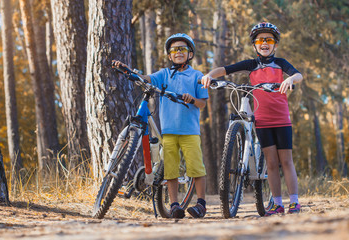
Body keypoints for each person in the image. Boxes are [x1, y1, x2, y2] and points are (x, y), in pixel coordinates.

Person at [201, 22, 303, 216]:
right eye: (260, 39)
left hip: (281, 119)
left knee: (286, 161)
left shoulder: (280, 63)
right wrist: (209, 75)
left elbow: (298, 75)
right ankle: (277, 203)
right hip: (262, 120)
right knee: (271, 163)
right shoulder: (251, 64)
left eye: (269, 39)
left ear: (275, 44)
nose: (264, 42)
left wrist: (290, 79)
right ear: (255, 44)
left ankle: (295, 202)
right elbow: (224, 69)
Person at [113, 33, 209, 219]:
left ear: (190, 54)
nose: (178, 52)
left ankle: (201, 204)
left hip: (190, 131)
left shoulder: (197, 75)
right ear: (169, 55)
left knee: (196, 168)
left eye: (182, 49)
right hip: (169, 131)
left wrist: (193, 99)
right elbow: (146, 78)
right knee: (170, 170)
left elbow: (203, 103)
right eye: (174, 50)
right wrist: (129, 71)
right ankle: (174, 205)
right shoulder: (164, 74)